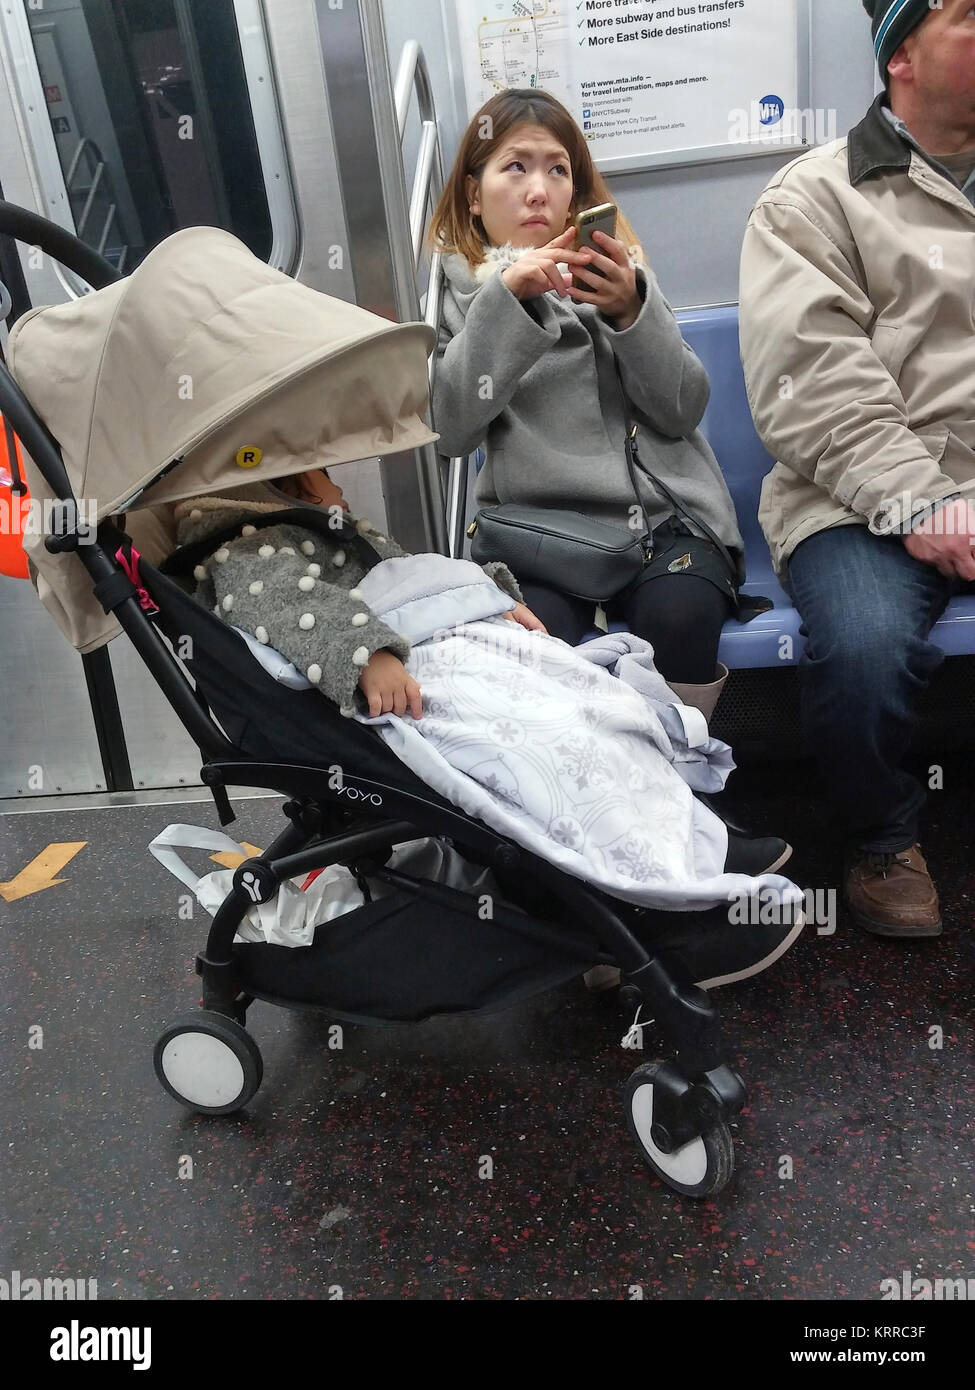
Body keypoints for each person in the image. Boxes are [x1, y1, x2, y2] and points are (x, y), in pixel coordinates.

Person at [163, 467, 802, 988]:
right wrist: (368, 656)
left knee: (588, 702)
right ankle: (654, 900)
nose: (340, 486)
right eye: (326, 474)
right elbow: (296, 610)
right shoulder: (250, 549)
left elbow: (418, 578)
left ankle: (683, 848)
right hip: (405, 680)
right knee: (547, 743)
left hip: (450, 646)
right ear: (290, 486)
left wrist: (490, 597)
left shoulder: (329, 533)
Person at [738, 0, 975, 937]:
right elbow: (810, 383)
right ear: (900, 54)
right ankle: (882, 836)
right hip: (852, 494)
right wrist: (926, 500)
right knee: (867, 644)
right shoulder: (814, 199)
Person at [427, 88, 747, 721]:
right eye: (514, 166)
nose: (538, 190)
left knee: (680, 618)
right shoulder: (461, 301)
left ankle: (681, 801)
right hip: (537, 535)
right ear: (473, 193)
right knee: (531, 645)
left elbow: (682, 411)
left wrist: (631, 310)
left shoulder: (618, 276)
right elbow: (451, 429)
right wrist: (508, 306)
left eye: (558, 170)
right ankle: (584, 805)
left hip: (661, 522)